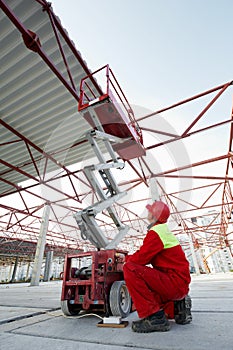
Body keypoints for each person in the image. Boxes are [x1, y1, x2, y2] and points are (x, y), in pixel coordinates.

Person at [123, 200, 192, 333]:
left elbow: (140, 259)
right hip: (178, 283)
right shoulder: (163, 231)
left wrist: (125, 260)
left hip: (173, 282)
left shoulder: (156, 232)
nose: (147, 212)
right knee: (153, 298)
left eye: (150, 210)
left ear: (154, 215)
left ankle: (155, 319)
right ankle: (178, 307)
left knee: (130, 268)